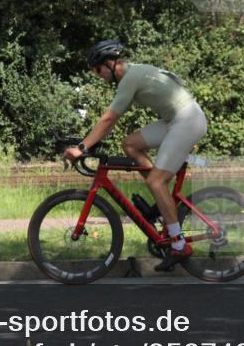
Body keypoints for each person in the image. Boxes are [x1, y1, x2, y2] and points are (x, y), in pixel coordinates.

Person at [63, 40, 208, 272]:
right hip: (176, 119)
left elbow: (109, 119)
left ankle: (179, 245)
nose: (98, 75)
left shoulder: (130, 78)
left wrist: (82, 147)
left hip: (187, 120)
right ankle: (161, 200)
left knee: (156, 181)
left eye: (98, 70)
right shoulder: (133, 74)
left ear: (110, 64)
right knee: (130, 144)